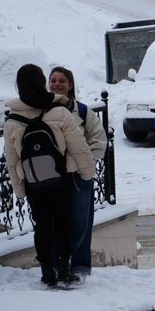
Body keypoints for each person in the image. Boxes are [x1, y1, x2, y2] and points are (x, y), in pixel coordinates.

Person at [5, 64, 95, 287]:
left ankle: (47, 273)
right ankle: (64, 270)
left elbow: (12, 160)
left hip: (33, 182)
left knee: (42, 226)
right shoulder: (59, 111)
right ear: (42, 82)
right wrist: (87, 173)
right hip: (60, 178)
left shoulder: (12, 120)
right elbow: (79, 147)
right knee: (63, 223)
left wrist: (19, 189)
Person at [49, 66, 107, 276]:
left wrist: (81, 161)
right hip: (51, 176)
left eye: (62, 80)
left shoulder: (82, 111)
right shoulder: (42, 110)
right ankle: (56, 265)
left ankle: (80, 265)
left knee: (81, 221)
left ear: (70, 85)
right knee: (53, 222)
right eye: (53, 80)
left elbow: (99, 140)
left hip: (78, 174)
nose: (57, 84)